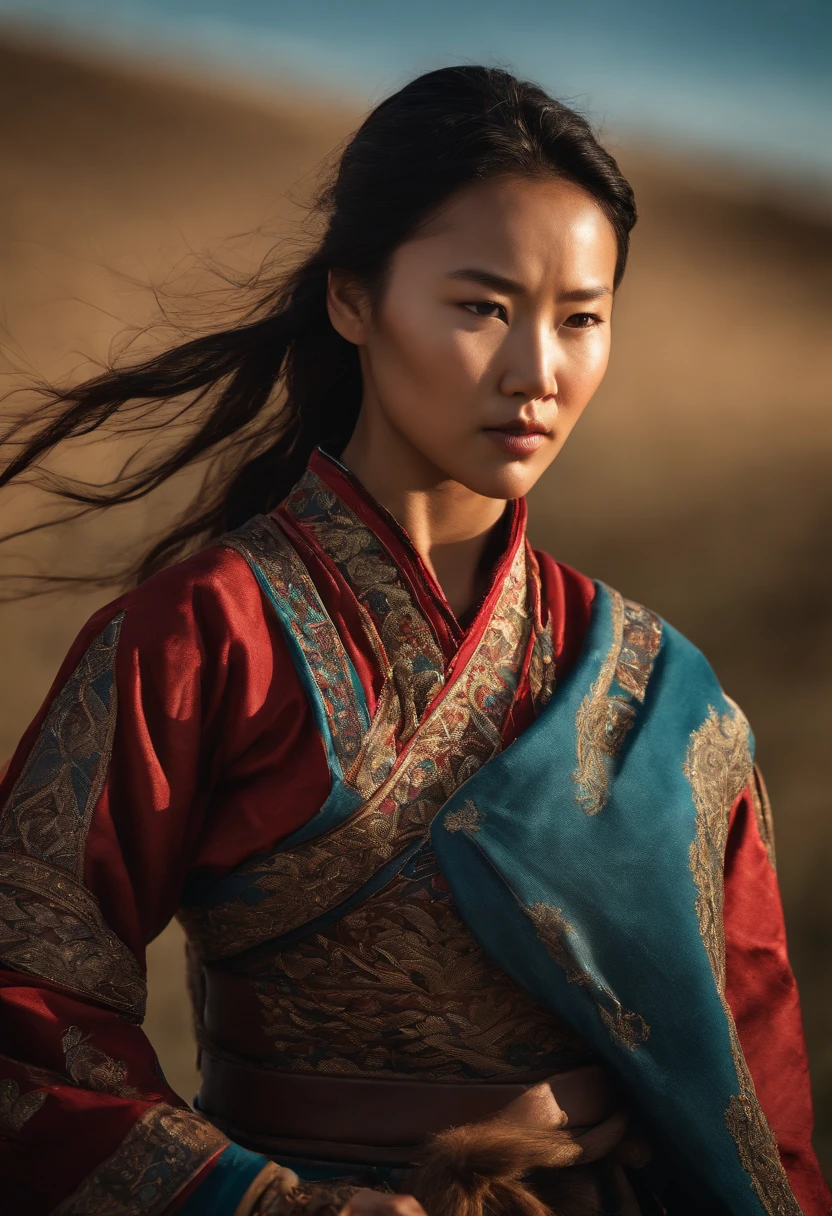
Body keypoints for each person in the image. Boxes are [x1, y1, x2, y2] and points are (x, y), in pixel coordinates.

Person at [0, 65, 828, 1216]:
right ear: (353, 299)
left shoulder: (662, 697)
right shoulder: (199, 638)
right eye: (483, 307)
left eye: (581, 319)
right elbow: (23, 1010)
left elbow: (760, 1095)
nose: (538, 373)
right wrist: (281, 1204)